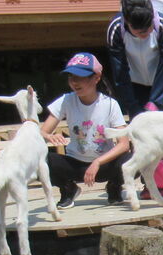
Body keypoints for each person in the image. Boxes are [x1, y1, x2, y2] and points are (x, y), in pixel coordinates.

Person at [41, 52, 133, 208]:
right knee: (40, 160)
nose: (74, 82)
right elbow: (42, 132)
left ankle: (114, 186)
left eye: (80, 77)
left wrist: (97, 162)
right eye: (71, 77)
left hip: (104, 164)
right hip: (75, 164)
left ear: (96, 78)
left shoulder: (110, 104)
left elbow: (124, 144)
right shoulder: (66, 100)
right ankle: (68, 189)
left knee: (132, 159)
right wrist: (48, 136)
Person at [107, 0, 163, 115]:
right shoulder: (116, 29)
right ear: (127, 22)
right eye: (138, 30)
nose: (144, 33)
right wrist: (131, 105)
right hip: (135, 82)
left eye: (148, 28)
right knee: (139, 123)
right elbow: (120, 71)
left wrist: (155, 102)